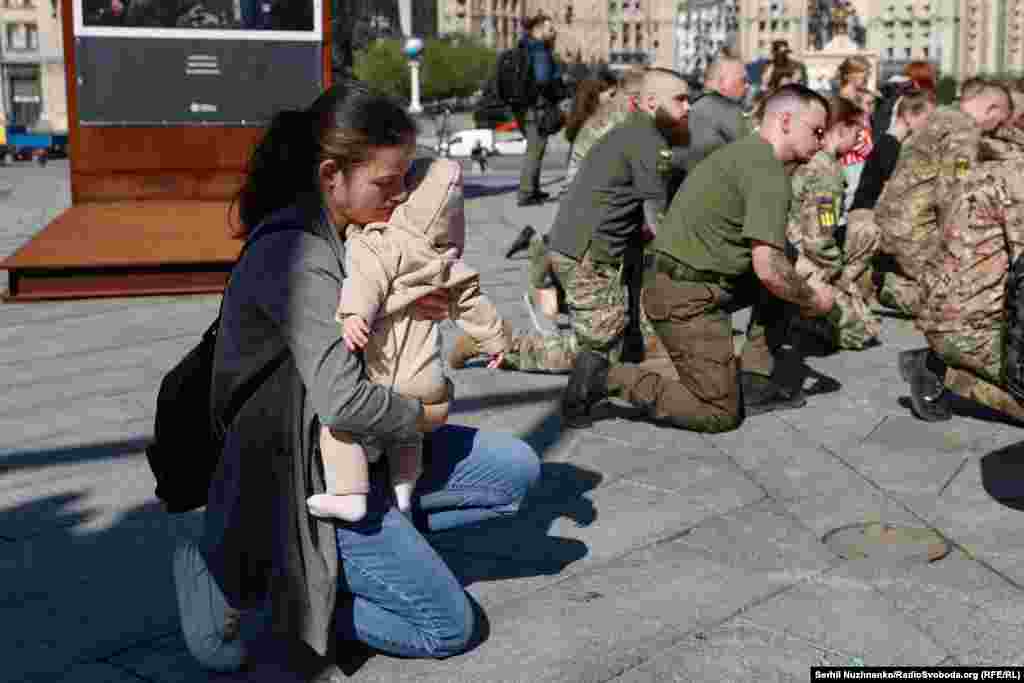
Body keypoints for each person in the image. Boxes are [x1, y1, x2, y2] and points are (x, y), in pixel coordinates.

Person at [172, 81, 540, 677]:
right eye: (387, 183)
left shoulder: (355, 230)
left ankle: (376, 546)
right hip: (299, 475)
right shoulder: (296, 256)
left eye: (406, 180)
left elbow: (389, 292)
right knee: (448, 627)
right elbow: (343, 401)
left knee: (516, 471)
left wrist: (417, 304)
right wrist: (422, 418)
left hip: (369, 449)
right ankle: (259, 587)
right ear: (330, 176)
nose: (400, 198)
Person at [561, 84, 837, 433]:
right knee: (717, 413)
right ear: (784, 121)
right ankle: (605, 375)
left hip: (681, 281)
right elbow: (768, 269)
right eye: (816, 131)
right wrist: (815, 298)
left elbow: (774, 251)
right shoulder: (768, 171)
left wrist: (804, 272)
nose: (822, 143)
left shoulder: (747, 153)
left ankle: (754, 377)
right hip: (685, 298)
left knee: (787, 277)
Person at [451, 68, 690, 376]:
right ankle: (503, 346)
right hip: (585, 255)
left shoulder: (633, 130)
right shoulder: (645, 140)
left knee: (621, 341)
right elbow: (657, 217)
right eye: (680, 99)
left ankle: (636, 347)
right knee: (596, 356)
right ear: (652, 102)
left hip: (587, 248)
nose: (688, 107)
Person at [312, 158, 511, 523]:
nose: (397, 193)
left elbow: (365, 279)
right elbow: (473, 302)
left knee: (340, 429)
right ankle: (404, 489)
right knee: (408, 437)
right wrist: (495, 340)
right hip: (427, 378)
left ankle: (349, 493)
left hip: (384, 373)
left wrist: (356, 315)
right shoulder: (444, 257)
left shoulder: (380, 243)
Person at [874, 77, 1012, 316]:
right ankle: (884, 286)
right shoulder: (964, 130)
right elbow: (953, 192)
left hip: (895, 221)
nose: (995, 129)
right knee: (967, 301)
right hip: (913, 231)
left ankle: (889, 278)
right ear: (992, 109)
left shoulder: (941, 116)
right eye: (998, 123)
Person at [905, 155, 1024, 423]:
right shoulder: (1018, 184)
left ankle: (941, 359)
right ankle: (940, 372)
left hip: (944, 313)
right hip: (971, 328)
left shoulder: (997, 168)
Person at [786, 96, 881, 351]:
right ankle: (806, 320)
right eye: (857, 133)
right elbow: (819, 237)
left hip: (790, 245)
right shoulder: (826, 171)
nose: (859, 141)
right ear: (841, 129)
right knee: (861, 333)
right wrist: (837, 275)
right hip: (803, 255)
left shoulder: (808, 155)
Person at [515, 13, 567, 207]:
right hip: (538, 108)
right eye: (550, 29)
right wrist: (557, 93)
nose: (554, 32)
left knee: (536, 149)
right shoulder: (539, 50)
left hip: (528, 107)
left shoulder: (526, 47)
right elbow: (543, 80)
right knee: (535, 151)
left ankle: (533, 189)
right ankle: (526, 192)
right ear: (538, 30)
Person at [672, 55, 750, 174]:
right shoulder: (726, 109)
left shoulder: (689, 106)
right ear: (723, 82)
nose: (747, 86)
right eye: (742, 80)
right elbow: (750, 156)